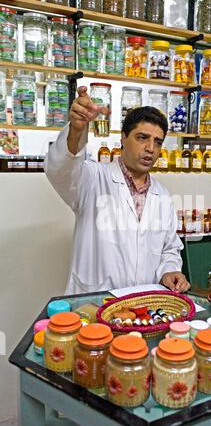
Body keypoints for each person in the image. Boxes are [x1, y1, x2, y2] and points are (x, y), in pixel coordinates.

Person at [45, 86, 190, 295]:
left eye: (157, 142)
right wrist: (76, 130)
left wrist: (170, 271)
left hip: (142, 308)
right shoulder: (92, 179)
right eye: (142, 138)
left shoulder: (163, 196)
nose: (150, 148)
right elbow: (60, 170)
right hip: (95, 303)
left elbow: (169, 248)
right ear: (123, 137)